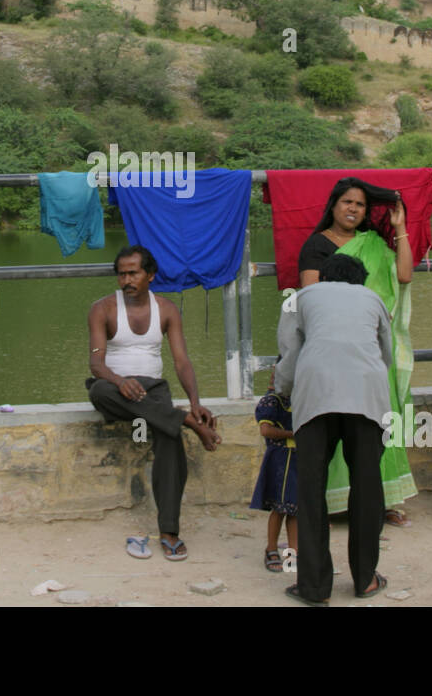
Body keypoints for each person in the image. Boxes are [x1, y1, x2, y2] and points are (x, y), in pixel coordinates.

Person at [87, 244, 221, 562]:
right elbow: (96, 364)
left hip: (154, 393)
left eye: (133, 273)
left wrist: (195, 402)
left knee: (169, 439)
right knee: (98, 391)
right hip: (115, 389)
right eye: (121, 274)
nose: (126, 280)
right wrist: (120, 381)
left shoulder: (167, 310)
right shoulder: (102, 308)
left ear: (150, 275)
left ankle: (170, 531)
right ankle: (183, 421)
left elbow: (181, 361)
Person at [297, 177, 417, 527]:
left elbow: (405, 275)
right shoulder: (316, 245)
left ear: (366, 212)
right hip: (333, 350)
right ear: (333, 205)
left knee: (376, 424)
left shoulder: (375, 244)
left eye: (360, 204)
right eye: (346, 202)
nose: (352, 209)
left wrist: (401, 229)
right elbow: (311, 298)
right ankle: (338, 500)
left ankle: (384, 498)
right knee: (335, 419)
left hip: (372, 349)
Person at [276, 253, 392, 605]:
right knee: (367, 488)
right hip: (366, 395)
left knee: (311, 492)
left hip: (317, 394)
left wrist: (283, 387)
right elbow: (386, 353)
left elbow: (289, 352)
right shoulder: (373, 299)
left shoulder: (301, 297)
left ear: (322, 278)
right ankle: (365, 579)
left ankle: (314, 588)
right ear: (360, 281)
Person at [249, 381, 297, 572]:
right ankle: (271, 548)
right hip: (280, 461)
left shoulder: (299, 399)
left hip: (296, 461)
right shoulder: (271, 401)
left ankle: (292, 555)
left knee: (295, 510)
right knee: (278, 508)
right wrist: (292, 434)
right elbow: (266, 430)